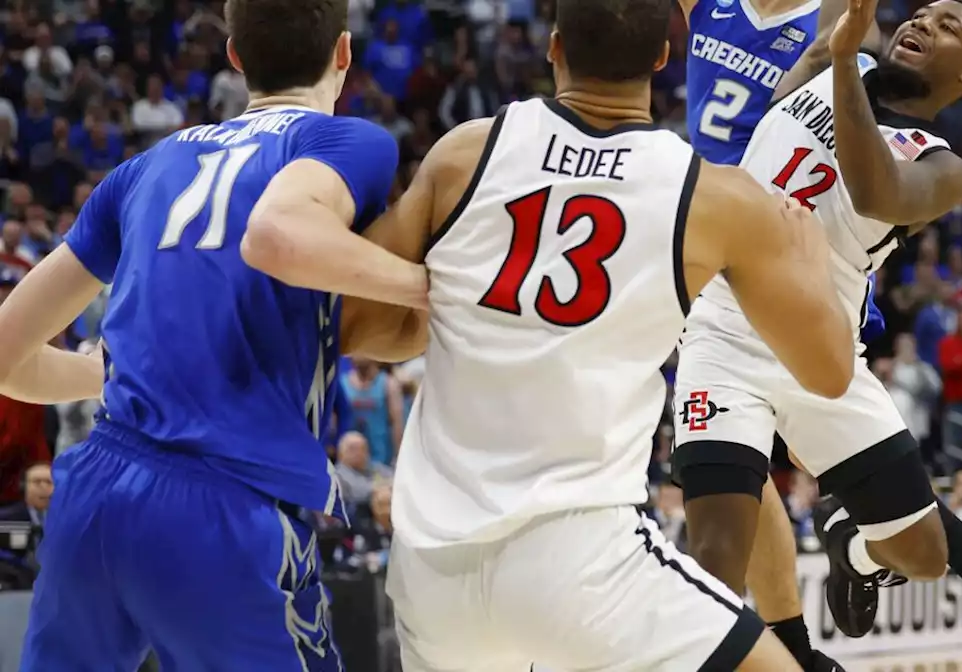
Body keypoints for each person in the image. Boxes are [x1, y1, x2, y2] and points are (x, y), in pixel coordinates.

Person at [361, 0, 855, 668]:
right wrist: (811, 266)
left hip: (430, 567)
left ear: (554, 48)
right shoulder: (717, 197)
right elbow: (828, 372)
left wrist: (457, 307)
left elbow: (364, 328)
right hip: (580, 558)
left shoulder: (465, 152)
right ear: (662, 58)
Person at [0, 0, 433, 668]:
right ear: (344, 54)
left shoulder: (145, 167)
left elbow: (7, 355)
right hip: (224, 501)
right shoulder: (347, 141)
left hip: (95, 495)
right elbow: (281, 236)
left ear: (234, 57)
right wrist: (427, 286)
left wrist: (100, 371)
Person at [672, 1, 962, 670]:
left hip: (822, 354)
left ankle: (854, 544)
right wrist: (839, 55)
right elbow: (760, 145)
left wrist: (849, 58)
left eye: (945, 26)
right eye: (923, 12)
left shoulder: (941, 167)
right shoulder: (826, 61)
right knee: (715, 559)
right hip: (721, 333)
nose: (922, 22)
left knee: (925, 556)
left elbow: (875, 192)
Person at [677, 0, 886, 666]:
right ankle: (792, 644)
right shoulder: (711, 5)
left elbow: (853, 49)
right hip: (708, 253)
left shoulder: (835, 16)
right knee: (737, 465)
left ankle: (861, 539)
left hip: (797, 246)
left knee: (815, 450)